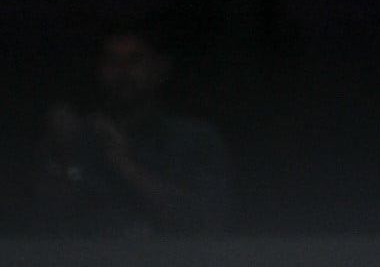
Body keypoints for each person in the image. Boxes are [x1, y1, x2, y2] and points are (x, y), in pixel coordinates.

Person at [32, 26, 231, 237]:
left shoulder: (195, 140)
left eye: (135, 60)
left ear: (160, 68)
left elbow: (209, 222)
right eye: (111, 61)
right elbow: (41, 224)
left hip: (170, 258)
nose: (122, 71)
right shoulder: (73, 138)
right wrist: (67, 157)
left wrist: (125, 165)